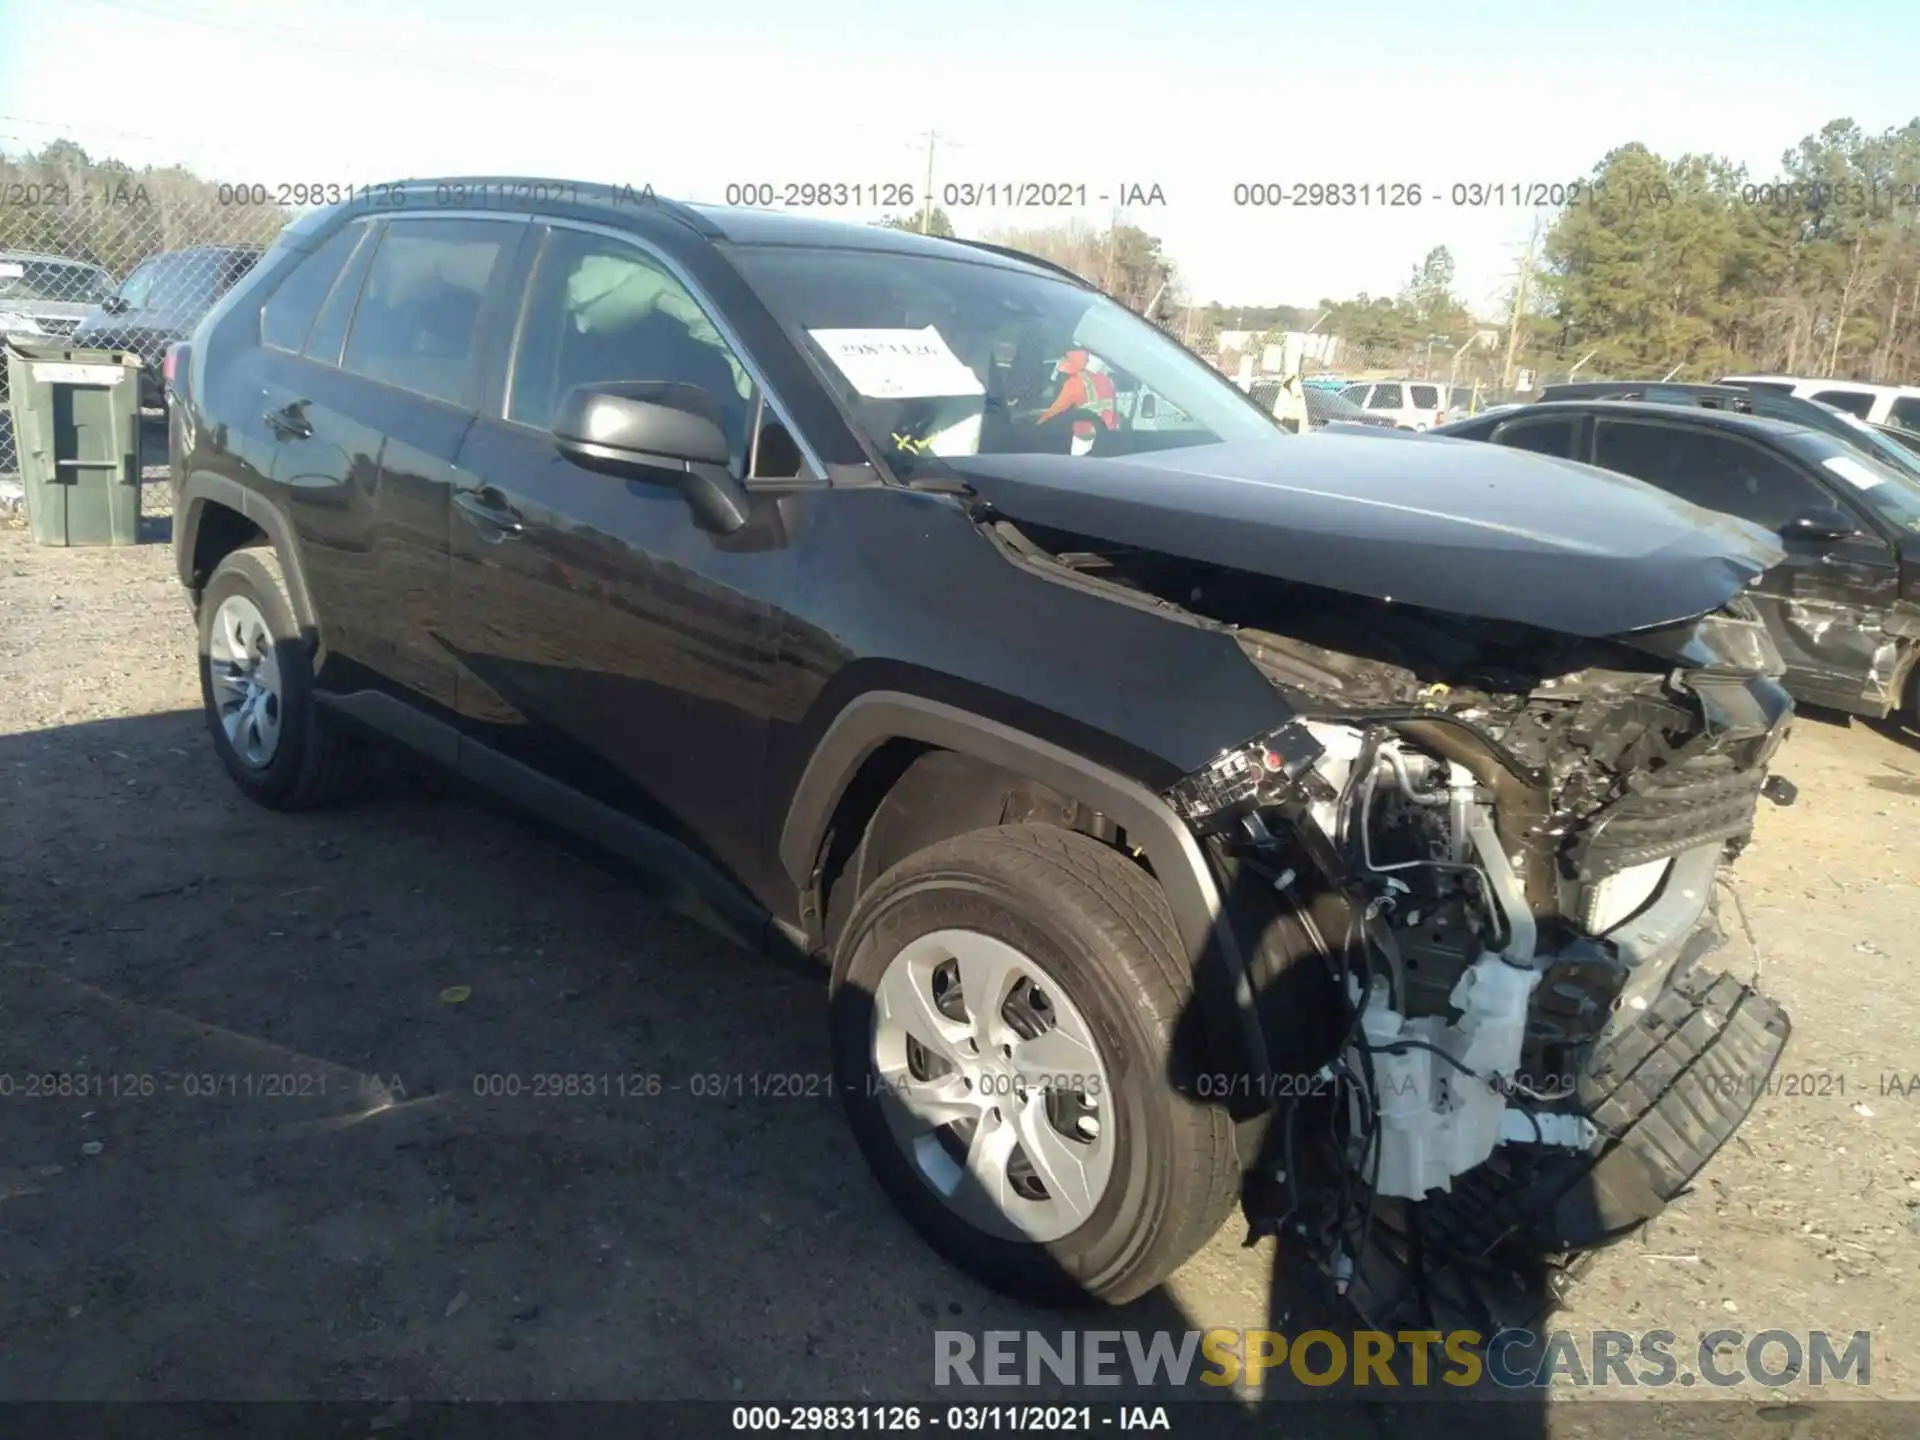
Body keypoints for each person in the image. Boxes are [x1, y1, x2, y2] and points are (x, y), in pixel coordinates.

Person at [1034, 349, 1118, 431]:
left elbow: (1055, 412)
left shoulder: (1074, 383)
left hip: (1084, 436)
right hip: (1108, 434)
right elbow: (1114, 414)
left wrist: (1036, 426)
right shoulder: (1106, 380)